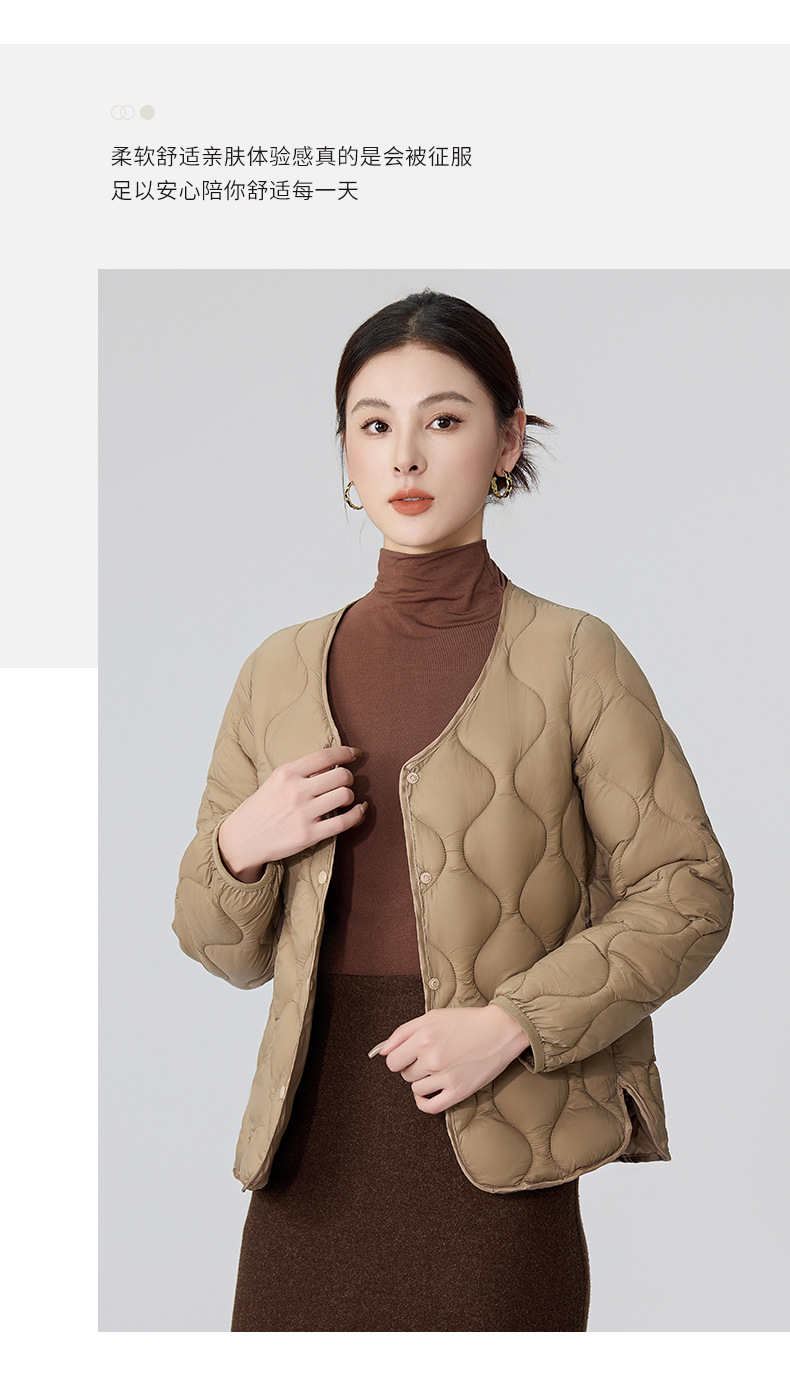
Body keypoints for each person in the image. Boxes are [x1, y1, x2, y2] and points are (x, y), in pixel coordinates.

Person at [171, 290, 734, 1333]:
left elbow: (688, 892)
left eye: (443, 419)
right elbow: (223, 951)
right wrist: (240, 848)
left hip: (498, 1141)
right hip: (307, 1146)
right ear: (345, 452)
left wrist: (512, 1024)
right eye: (373, 424)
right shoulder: (275, 670)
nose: (406, 457)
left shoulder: (575, 655)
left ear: (507, 441)